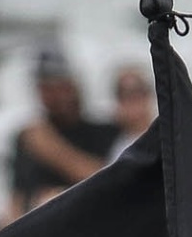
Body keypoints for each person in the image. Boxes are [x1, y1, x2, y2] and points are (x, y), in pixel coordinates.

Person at [10, 53, 120, 216]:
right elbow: (17, 198)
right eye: (48, 89)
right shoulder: (29, 137)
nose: (59, 97)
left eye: (62, 87)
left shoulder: (106, 132)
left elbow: (110, 180)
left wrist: (50, 148)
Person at [108, 63, 156, 159]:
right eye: (123, 94)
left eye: (137, 91)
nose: (131, 99)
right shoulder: (119, 145)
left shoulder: (168, 138)